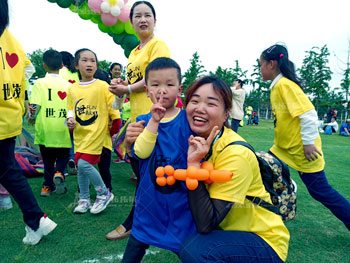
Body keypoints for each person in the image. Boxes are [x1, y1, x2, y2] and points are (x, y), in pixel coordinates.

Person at [179, 76, 289, 263]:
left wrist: (193, 166)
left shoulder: (235, 154)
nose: (199, 108)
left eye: (211, 103)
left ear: (226, 113)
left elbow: (206, 223)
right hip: (229, 232)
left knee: (196, 249)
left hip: (263, 240)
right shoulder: (197, 139)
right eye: (194, 101)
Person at [259, 44, 350, 230]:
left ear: (272, 64)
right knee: (262, 169)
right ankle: (270, 208)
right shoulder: (277, 86)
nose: (259, 68)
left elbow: (309, 115)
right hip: (282, 149)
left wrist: (308, 144)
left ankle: (288, 187)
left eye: (261, 64)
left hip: (303, 151)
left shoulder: (285, 85)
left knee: (320, 192)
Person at [107, 0, 171, 241]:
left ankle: (133, 223)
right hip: (138, 120)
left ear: (155, 20)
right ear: (131, 22)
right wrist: (123, 86)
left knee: (148, 176)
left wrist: (127, 89)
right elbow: (137, 83)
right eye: (137, 16)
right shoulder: (135, 52)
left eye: (147, 15)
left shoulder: (158, 45)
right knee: (146, 174)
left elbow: (158, 78)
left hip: (157, 117)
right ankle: (161, 215)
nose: (142, 20)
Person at [121, 57, 196, 263]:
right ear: (146, 90)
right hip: (148, 205)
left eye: (169, 84)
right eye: (155, 85)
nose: (162, 90)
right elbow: (140, 154)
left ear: (179, 89)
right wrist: (152, 122)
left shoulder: (188, 121)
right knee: (133, 251)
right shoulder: (142, 121)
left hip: (180, 206)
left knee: (189, 251)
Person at [0, 0, 57, 245]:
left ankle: (35, 218)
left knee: (9, 170)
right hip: (10, 115)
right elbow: (26, 70)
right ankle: (35, 219)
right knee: (8, 169)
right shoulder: (10, 38)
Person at [66, 48, 115, 214]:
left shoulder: (102, 86)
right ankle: (84, 199)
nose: (89, 64)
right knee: (81, 168)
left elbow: (114, 106)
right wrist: (69, 119)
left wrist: (121, 96)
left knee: (83, 164)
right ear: (76, 65)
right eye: (85, 60)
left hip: (97, 135)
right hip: (80, 135)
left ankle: (103, 193)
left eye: (92, 60)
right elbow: (70, 109)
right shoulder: (72, 89)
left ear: (96, 65)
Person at [28, 49, 72, 197]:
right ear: (61, 66)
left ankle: (46, 187)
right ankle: (59, 172)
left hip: (45, 128)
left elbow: (35, 105)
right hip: (63, 127)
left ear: (44, 65)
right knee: (63, 155)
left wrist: (31, 117)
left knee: (47, 159)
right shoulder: (68, 85)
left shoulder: (40, 83)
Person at [59, 51, 79, 175]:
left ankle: (63, 168)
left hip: (61, 109)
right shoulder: (77, 74)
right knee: (72, 138)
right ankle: (73, 158)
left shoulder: (59, 73)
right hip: (75, 110)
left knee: (62, 139)